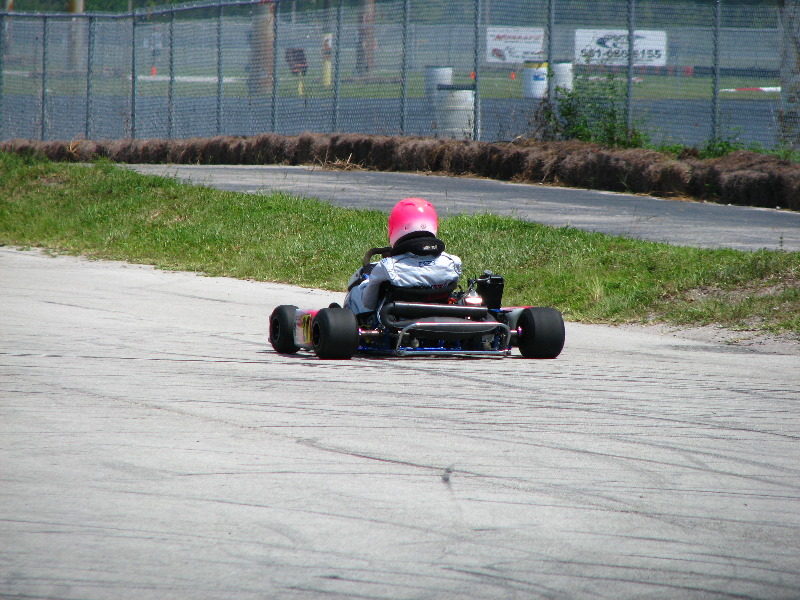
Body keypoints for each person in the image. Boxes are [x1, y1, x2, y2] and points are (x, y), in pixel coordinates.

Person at [344, 198, 462, 318]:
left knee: (357, 291)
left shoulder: (388, 267)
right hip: (441, 317)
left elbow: (368, 303)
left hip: (397, 321)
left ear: (396, 227)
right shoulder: (453, 262)